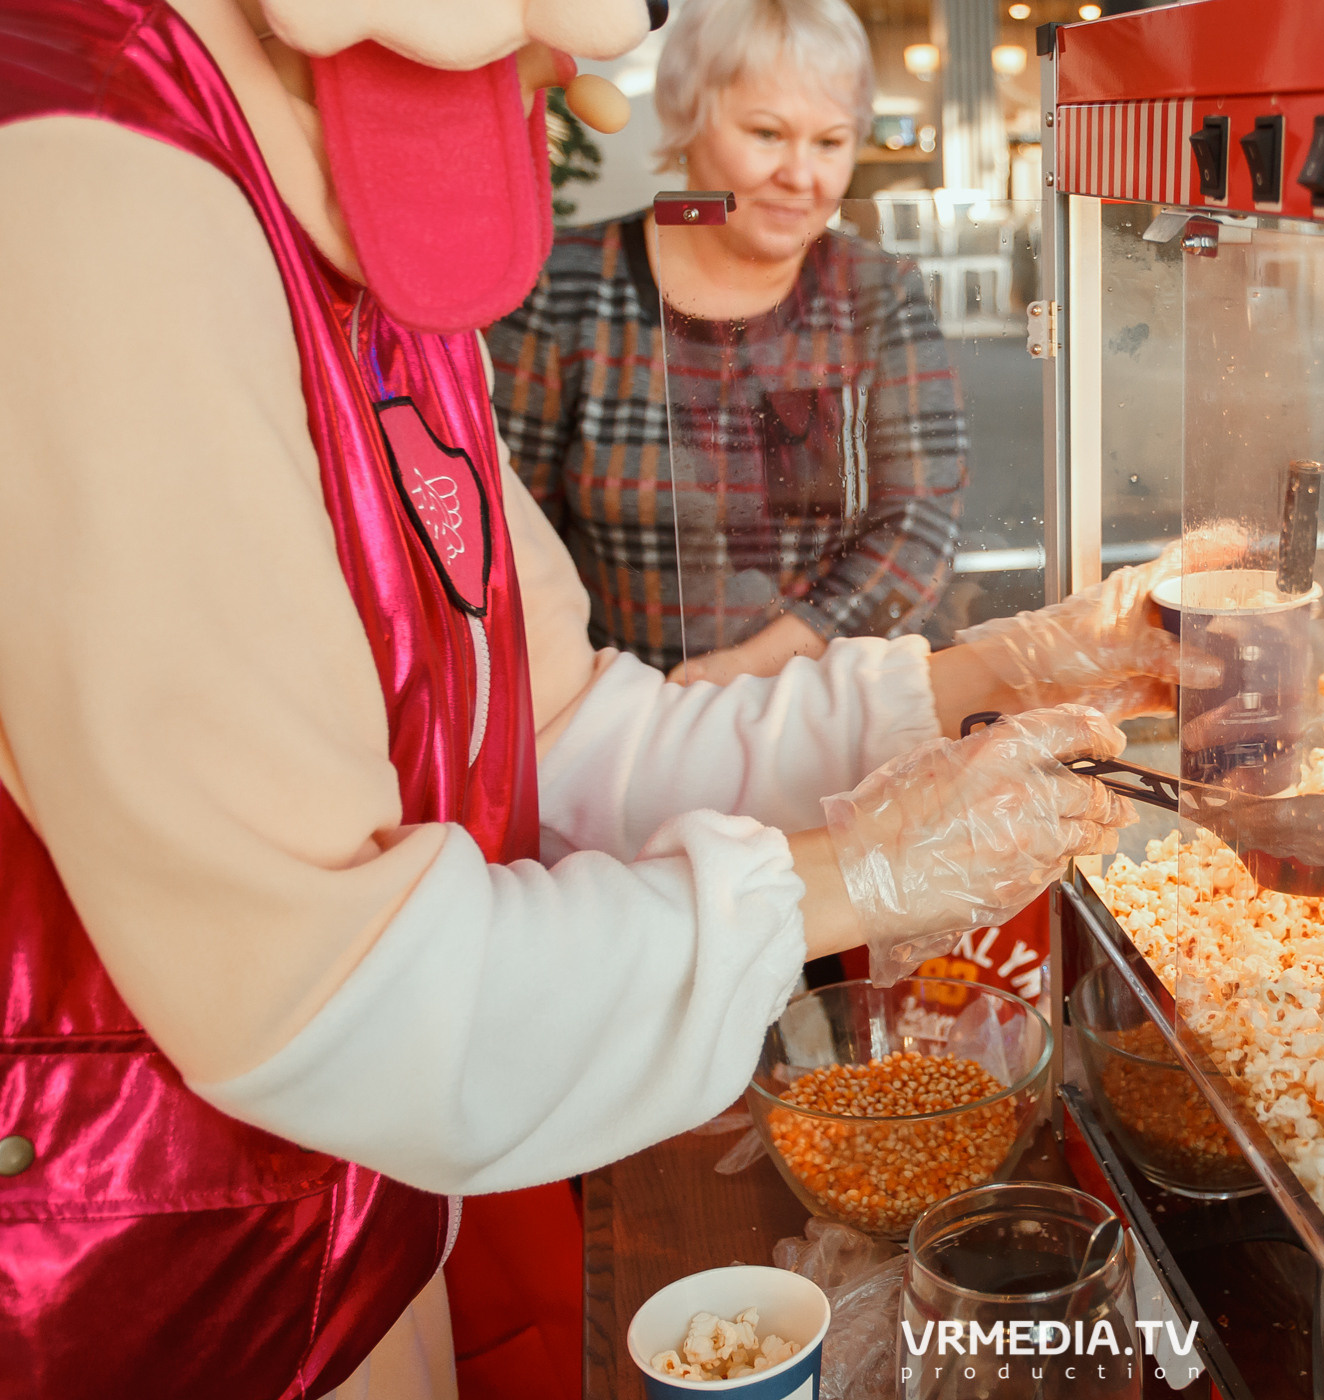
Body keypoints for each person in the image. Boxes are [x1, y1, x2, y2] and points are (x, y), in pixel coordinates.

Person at [0, 1, 1198, 1397]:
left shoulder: (374, 274)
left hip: (360, 1227)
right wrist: (859, 870)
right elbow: (332, 991)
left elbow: (559, 733)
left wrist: (989, 673)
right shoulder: (99, 197)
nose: (587, 93)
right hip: (157, 1285)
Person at [490, 0, 965, 688]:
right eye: (767, 133)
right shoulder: (564, 285)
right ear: (687, 120)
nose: (802, 176)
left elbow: (919, 525)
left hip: (822, 714)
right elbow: (509, 542)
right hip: (617, 721)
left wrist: (743, 674)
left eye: (830, 143)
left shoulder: (876, 290)